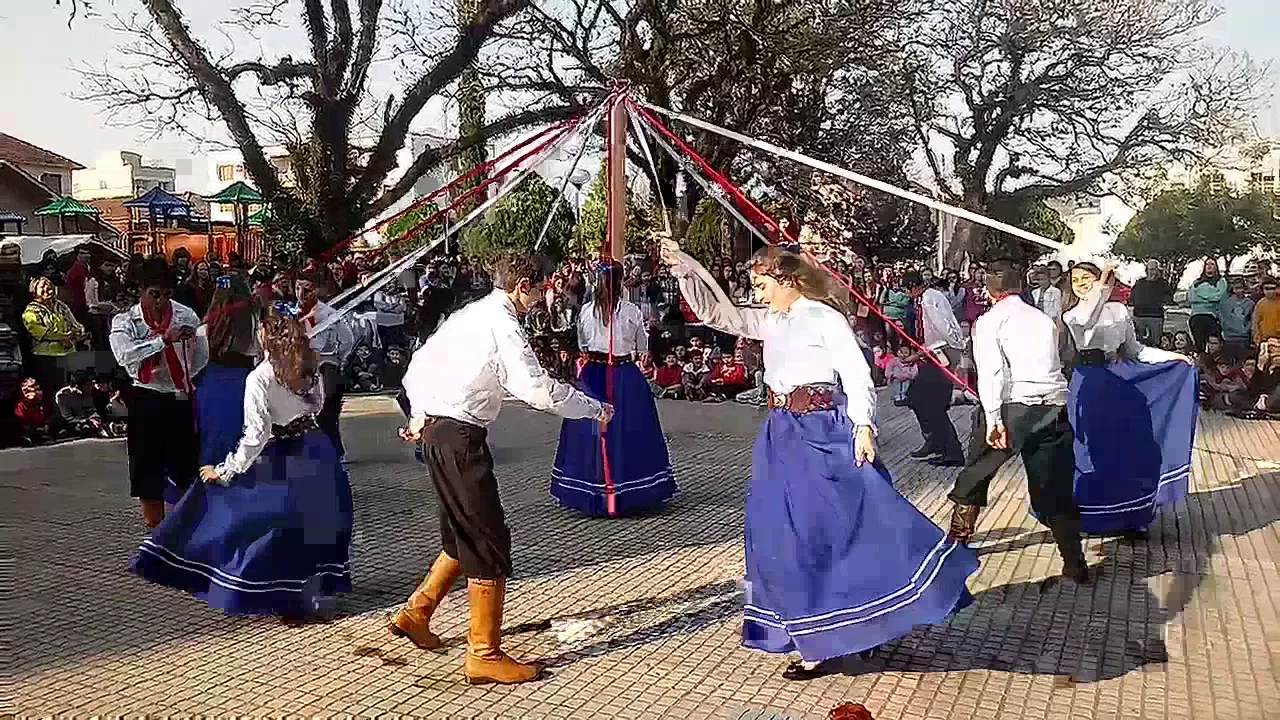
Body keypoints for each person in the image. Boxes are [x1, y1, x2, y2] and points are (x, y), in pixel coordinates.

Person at [660, 239, 977, 680]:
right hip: (780, 434)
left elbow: (857, 373)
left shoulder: (824, 318)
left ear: (787, 279)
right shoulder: (771, 319)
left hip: (823, 431)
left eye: (762, 285)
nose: (758, 293)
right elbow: (717, 314)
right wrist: (685, 267)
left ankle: (862, 622)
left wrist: (864, 425)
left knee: (841, 528)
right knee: (780, 534)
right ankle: (811, 633)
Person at [392, 252, 614, 685]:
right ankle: (484, 653)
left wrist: (419, 413)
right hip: (459, 437)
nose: (545, 295)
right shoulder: (503, 324)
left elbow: (418, 366)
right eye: (542, 287)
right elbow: (535, 387)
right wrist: (592, 408)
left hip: (440, 431)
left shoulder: (470, 314)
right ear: (523, 286)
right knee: (487, 538)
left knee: (462, 532)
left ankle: (417, 612)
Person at [131, 311, 352, 623]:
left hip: (284, 457)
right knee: (314, 521)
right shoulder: (309, 368)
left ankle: (271, 592)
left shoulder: (261, 376)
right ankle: (310, 592)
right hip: (317, 451)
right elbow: (316, 406)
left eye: (261, 330)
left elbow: (256, 434)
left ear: (268, 338)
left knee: (250, 518)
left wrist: (225, 470)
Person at [943, 262, 1088, 582]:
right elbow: (1063, 361)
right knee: (1054, 487)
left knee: (976, 473)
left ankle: (956, 546)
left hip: (1012, 408)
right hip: (1053, 406)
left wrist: (994, 418)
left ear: (989, 291)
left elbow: (992, 373)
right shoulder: (1044, 319)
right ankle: (1074, 562)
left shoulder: (989, 320)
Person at [1061, 261, 1196, 537]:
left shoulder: (1119, 310)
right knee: (1088, 451)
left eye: (1087, 278)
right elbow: (1087, 319)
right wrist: (1102, 285)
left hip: (1120, 384)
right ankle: (1086, 517)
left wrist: (1175, 358)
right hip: (1089, 383)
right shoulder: (1073, 314)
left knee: (1125, 450)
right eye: (1075, 280)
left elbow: (1136, 350)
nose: (1081, 284)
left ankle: (1130, 516)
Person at [551, 262, 675, 516]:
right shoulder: (629, 311)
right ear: (620, 283)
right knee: (625, 429)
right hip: (621, 373)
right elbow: (642, 347)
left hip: (596, 374)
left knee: (596, 430)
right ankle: (624, 492)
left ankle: (599, 492)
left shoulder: (588, 311)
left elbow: (583, 345)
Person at [109, 258, 207, 528]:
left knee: (185, 466)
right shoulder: (127, 321)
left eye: (166, 294)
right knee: (146, 467)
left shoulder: (185, 315)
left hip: (177, 395)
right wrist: (162, 341)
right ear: (141, 290)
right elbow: (124, 355)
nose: (160, 301)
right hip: (145, 395)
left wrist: (185, 371)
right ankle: (155, 529)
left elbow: (201, 355)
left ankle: (184, 527)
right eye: (154, 294)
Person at [196, 274, 261, 468]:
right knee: (243, 436)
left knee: (212, 437)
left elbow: (195, 363)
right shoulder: (254, 328)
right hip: (244, 384)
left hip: (211, 386)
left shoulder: (204, 330)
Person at [902, 271, 966, 466]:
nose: (906, 294)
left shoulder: (930, 299)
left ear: (913, 287)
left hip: (941, 355)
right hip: (931, 355)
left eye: (906, 289)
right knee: (915, 398)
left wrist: (920, 354)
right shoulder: (924, 298)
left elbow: (941, 333)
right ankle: (934, 441)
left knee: (933, 405)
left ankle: (952, 452)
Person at [294, 272, 354, 461]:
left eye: (307, 289)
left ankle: (335, 451)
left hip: (325, 365)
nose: (302, 293)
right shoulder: (291, 313)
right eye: (298, 288)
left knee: (326, 412)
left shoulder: (328, 313)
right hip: (299, 369)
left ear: (316, 290)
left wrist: (336, 359)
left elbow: (347, 339)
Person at [23, 276, 85, 394]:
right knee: (51, 391)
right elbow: (40, 333)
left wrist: (79, 332)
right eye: (42, 287)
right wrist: (64, 337)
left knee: (69, 390)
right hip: (47, 357)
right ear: (34, 292)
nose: (47, 289)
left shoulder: (61, 306)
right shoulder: (31, 311)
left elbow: (75, 324)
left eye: (50, 286)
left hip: (68, 354)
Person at [1127, 260, 1173, 346]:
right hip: (1139, 316)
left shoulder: (1163, 283)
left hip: (1156, 316)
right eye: (1150, 269)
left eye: (1154, 269)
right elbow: (1132, 297)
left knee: (1155, 342)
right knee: (1138, 343)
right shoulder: (1140, 282)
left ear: (1158, 270)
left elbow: (1168, 298)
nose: (1152, 272)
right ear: (1146, 270)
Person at [1187, 259, 1227, 353]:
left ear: (1216, 267)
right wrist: (1209, 293)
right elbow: (1192, 298)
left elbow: (1218, 296)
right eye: (1207, 264)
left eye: (1212, 264)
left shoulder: (1221, 281)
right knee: (1200, 346)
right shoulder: (1196, 282)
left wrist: (1200, 291)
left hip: (1212, 317)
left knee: (1215, 344)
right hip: (1196, 317)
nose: (1209, 266)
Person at [1254, 278, 1280, 346]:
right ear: (1263, 290)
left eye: (1272, 288)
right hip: (1265, 340)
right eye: (1267, 288)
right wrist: (1257, 339)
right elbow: (1256, 322)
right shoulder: (1260, 304)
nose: (1270, 291)